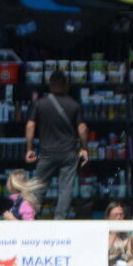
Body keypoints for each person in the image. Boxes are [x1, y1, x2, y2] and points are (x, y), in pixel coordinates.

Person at [25, 69, 90, 219]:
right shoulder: (74, 105)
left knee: (38, 188)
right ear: (66, 85)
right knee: (65, 189)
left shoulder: (40, 104)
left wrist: (29, 148)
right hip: (69, 153)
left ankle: (31, 217)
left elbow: (30, 126)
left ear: (50, 85)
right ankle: (59, 220)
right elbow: (82, 128)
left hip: (47, 153)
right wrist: (85, 149)